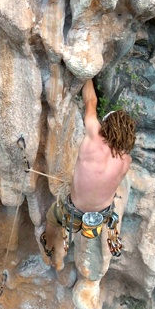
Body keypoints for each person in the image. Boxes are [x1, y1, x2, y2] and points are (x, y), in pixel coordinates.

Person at [40, 79, 136, 270]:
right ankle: (108, 232)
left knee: (53, 218)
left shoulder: (94, 136)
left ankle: (49, 244)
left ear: (107, 125)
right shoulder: (126, 161)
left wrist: (88, 76)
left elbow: (90, 101)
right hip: (100, 217)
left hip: (74, 212)